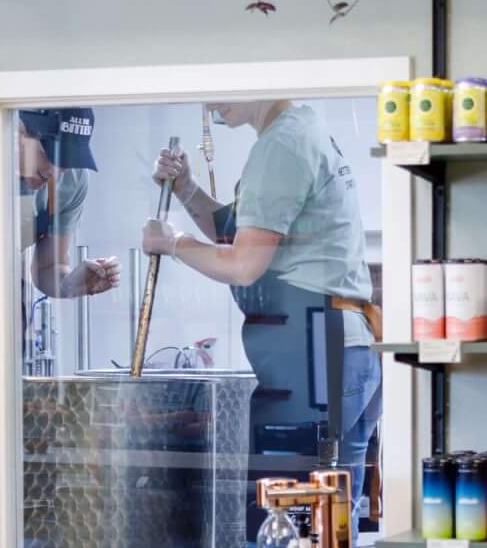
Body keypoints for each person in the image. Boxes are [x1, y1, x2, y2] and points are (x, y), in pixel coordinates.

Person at [140, 98, 382, 504]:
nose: (211, 104)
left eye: (219, 90)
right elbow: (236, 233)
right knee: (332, 528)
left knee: (285, 524)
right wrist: (185, 187)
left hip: (315, 358)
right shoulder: (302, 132)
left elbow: (243, 264)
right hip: (347, 349)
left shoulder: (281, 145)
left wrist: (173, 243)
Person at [19, 107, 118, 299]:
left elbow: (48, 267)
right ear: (20, 132)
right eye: (50, 154)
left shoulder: (73, 180)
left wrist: (71, 283)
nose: (57, 172)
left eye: (69, 159)